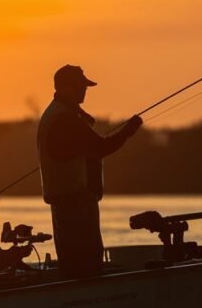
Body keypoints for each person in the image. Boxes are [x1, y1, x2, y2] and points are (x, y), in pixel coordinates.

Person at [37, 65, 142, 277]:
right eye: (80, 86)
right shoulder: (66, 119)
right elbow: (101, 148)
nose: (84, 90)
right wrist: (128, 131)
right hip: (75, 205)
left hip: (67, 204)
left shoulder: (58, 114)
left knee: (74, 266)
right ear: (65, 87)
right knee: (86, 265)